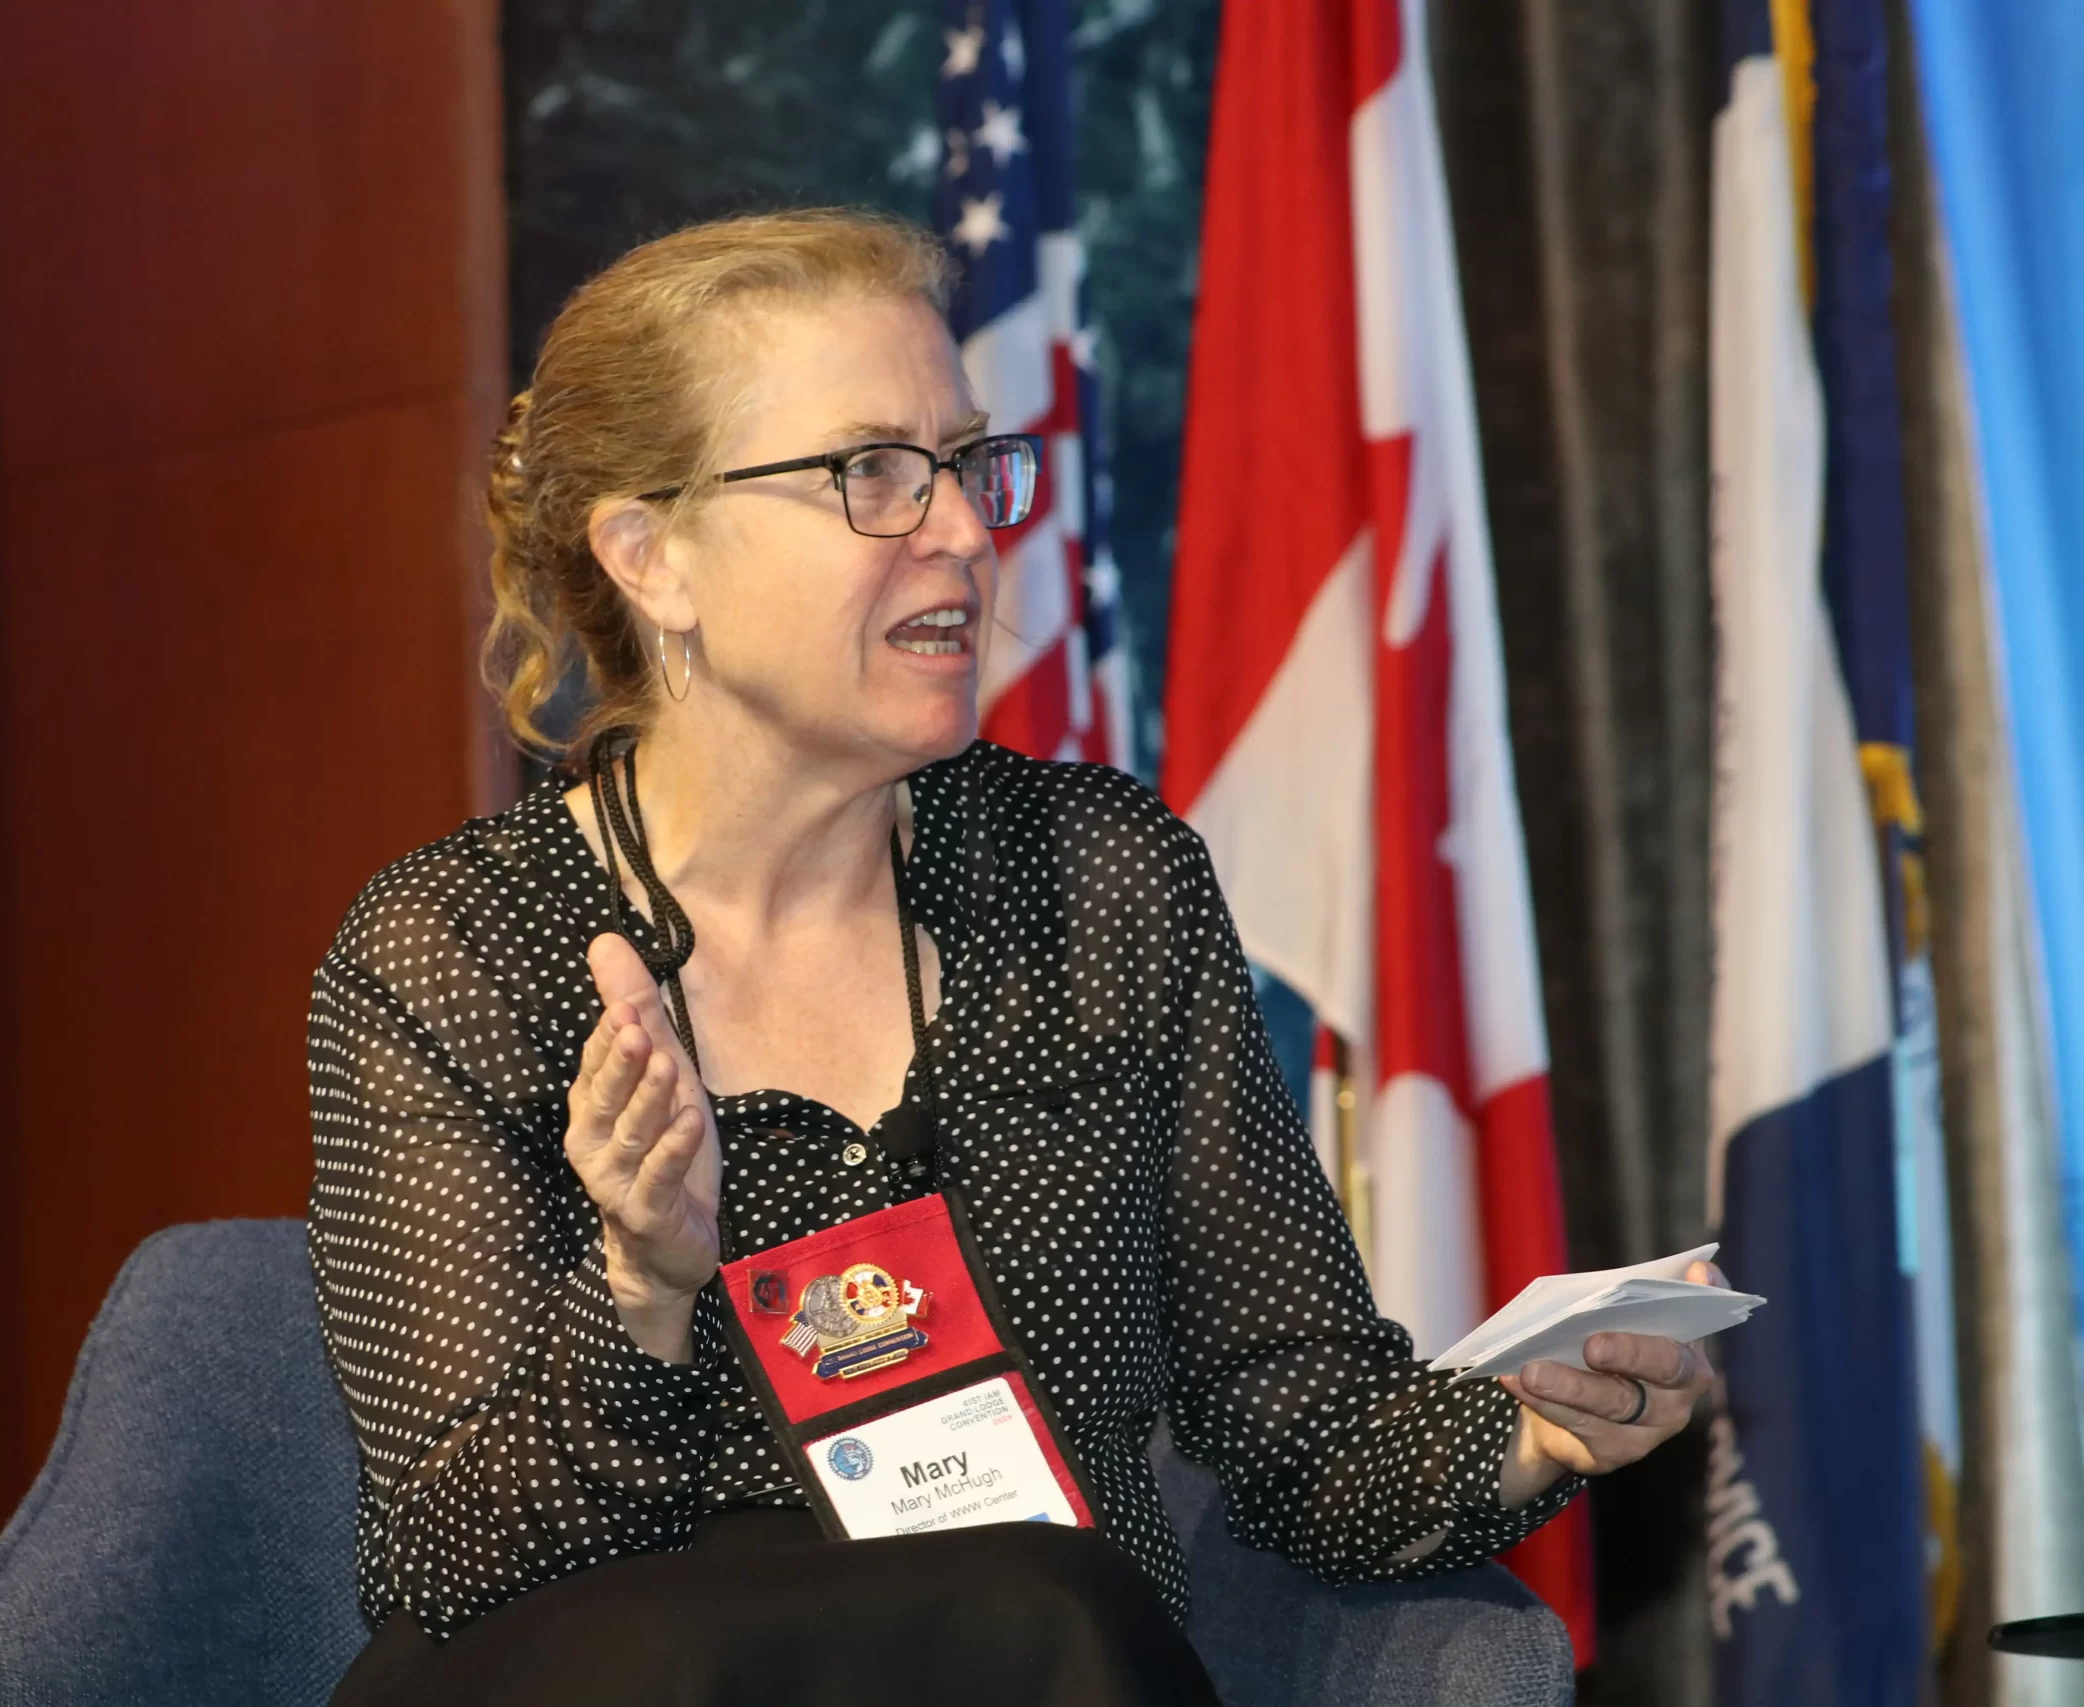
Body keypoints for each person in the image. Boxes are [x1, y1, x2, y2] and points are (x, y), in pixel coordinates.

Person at [308, 208, 1715, 1707]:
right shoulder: (448, 953)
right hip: (635, 1674)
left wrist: (1537, 1422)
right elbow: (447, 1562)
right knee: (1044, 1609)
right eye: (871, 474)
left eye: (967, 463)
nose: (967, 533)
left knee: (1048, 1607)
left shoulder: (1099, 881)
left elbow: (1303, 1430)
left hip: (1054, 1653)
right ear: (654, 559)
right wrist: (643, 1289)